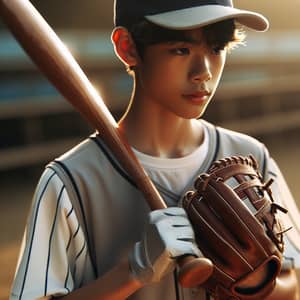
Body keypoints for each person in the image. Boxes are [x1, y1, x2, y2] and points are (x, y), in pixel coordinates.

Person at [10, 0, 300, 299]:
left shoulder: (251, 158)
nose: (203, 72)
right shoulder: (71, 181)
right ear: (128, 47)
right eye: (181, 50)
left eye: (216, 49)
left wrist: (250, 284)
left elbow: (289, 286)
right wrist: (132, 272)